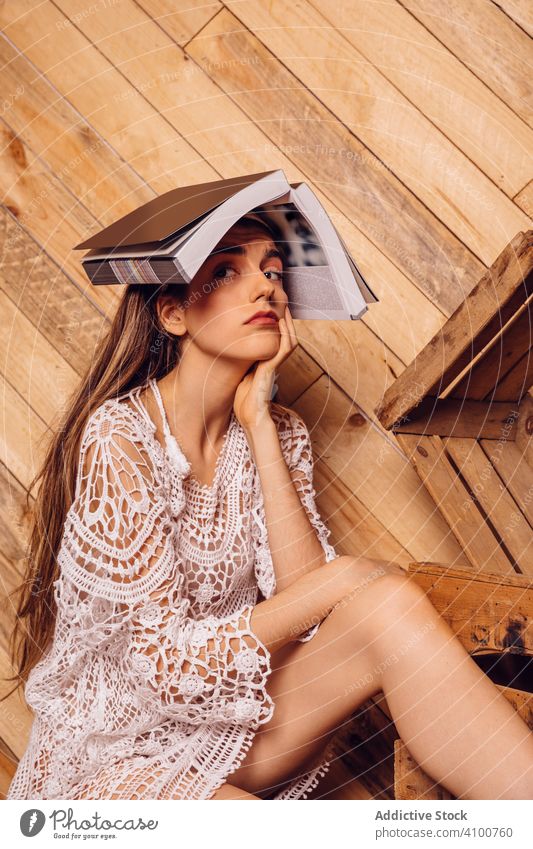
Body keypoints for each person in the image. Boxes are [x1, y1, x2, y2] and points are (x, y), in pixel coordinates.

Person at [4, 214, 533, 801]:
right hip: (121, 757)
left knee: (387, 604)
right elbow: (162, 670)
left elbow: (309, 599)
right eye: (228, 269)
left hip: (229, 725)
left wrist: (259, 428)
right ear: (173, 313)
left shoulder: (280, 431)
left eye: (274, 272)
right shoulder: (119, 436)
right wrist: (346, 576)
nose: (267, 289)